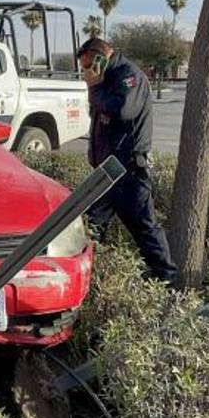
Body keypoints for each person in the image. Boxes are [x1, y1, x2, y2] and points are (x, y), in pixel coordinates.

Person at [77, 37, 177, 284]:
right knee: (91, 227)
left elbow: (122, 110)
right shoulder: (106, 79)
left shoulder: (128, 76)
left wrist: (95, 87)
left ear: (100, 58)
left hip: (129, 170)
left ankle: (168, 280)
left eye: (88, 66)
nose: (86, 73)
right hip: (108, 172)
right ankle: (90, 281)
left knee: (145, 228)